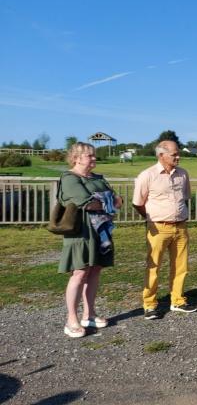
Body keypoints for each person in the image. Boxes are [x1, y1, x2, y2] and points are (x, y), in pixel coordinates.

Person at [59, 142, 123, 338]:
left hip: (100, 231)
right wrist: (107, 201)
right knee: (79, 272)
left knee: (95, 269)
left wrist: (104, 200)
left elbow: (117, 200)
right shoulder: (70, 178)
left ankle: (89, 314)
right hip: (81, 232)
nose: (94, 159)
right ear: (76, 158)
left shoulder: (97, 178)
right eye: (90, 156)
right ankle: (71, 319)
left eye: (94, 156)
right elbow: (85, 203)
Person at [133, 140, 197, 320]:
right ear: (161, 155)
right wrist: (151, 218)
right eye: (174, 154)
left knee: (181, 266)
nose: (178, 157)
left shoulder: (183, 174)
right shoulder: (147, 175)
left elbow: (184, 198)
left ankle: (177, 300)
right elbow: (138, 203)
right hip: (158, 228)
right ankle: (149, 304)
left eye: (178, 153)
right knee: (153, 266)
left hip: (181, 227)